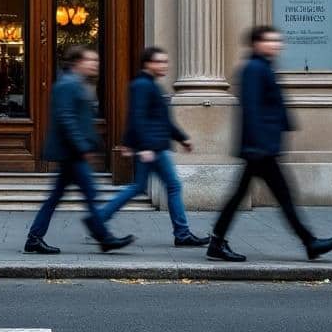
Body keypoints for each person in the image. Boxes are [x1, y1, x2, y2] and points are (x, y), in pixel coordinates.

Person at [207, 26, 332, 262]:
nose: (276, 44)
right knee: (282, 197)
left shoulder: (262, 66)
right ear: (257, 43)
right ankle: (309, 242)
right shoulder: (254, 68)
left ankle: (217, 242)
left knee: (250, 196)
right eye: (270, 40)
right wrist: (259, 144)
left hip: (260, 147)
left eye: (277, 40)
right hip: (260, 148)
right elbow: (251, 109)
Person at [23, 45, 135, 255]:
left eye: (96, 60)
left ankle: (35, 238)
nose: (95, 64)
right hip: (71, 153)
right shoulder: (68, 84)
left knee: (58, 196)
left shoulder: (77, 83)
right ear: (77, 63)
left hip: (72, 152)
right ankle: (103, 236)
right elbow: (67, 119)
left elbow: (80, 119)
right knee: (89, 193)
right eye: (90, 60)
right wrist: (82, 147)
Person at [93, 46, 208, 247]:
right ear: (148, 64)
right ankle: (182, 234)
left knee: (139, 187)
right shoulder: (142, 85)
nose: (164, 65)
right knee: (172, 186)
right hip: (153, 148)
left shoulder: (151, 85)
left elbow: (162, 120)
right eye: (159, 61)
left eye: (165, 61)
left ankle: (100, 218)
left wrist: (182, 138)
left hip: (154, 146)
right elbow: (137, 117)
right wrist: (144, 147)